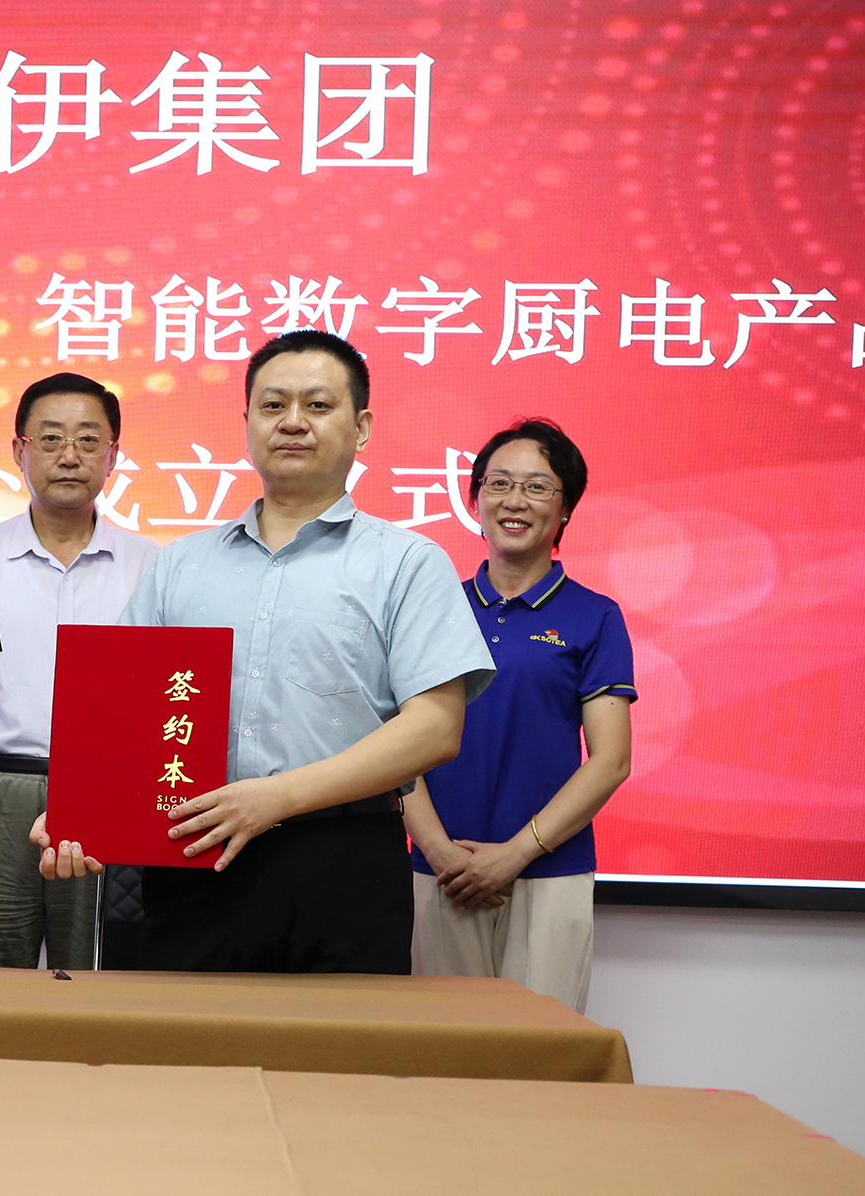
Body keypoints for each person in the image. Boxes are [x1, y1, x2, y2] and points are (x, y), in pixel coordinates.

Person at [34, 329, 494, 974]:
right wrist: (82, 808)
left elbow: (435, 729)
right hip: (196, 853)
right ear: (247, 422)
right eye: (273, 405)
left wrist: (277, 797)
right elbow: (124, 710)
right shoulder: (182, 563)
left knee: (341, 1040)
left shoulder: (408, 562)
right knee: (192, 1037)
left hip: (345, 859)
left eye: (318, 405)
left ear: (361, 428)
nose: (293, 422)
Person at [402, 419, 635, 1011]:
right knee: (442, 1047)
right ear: (475, 499)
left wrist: (515, 854)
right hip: (441, 871)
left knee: (541, 1050)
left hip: (549, 872)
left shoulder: (595, 616)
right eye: (499, 483)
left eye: (537, 487)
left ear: (566, 508)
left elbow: (610, 761)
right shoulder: (434, 609)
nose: (515, 500)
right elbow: (394, 745)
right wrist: (439, 851)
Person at [0, 373, 159, 969]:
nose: (70, 456)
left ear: (113, 455)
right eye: (50, 439)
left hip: (109, 795)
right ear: (19, 451)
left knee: (102, 979)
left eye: (89, 440)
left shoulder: (155, 566)